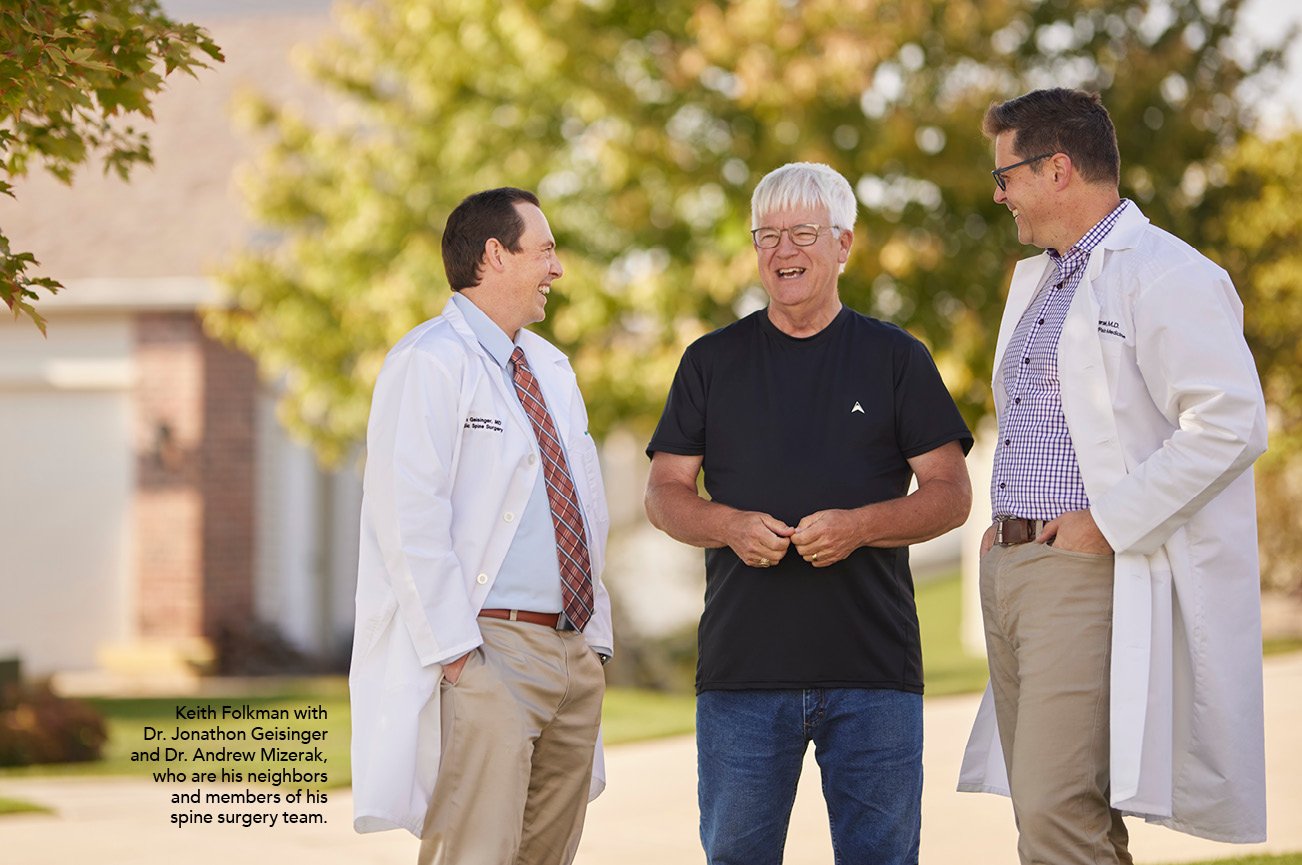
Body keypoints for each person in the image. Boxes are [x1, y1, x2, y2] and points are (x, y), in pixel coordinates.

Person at [958, 88, 1269, 864]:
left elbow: (1230, 421)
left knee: (1058, 810)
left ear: (1057, 168)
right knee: (1055, 812)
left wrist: (1105, 521)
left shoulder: (1166, 273)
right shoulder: (1036, 280)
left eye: (1007, 176)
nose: (999, 195)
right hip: (1012, 568)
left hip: (1084, 567)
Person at [644, 161, 973, 865]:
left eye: (801, 233)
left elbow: (951, 492)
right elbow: (664, 491)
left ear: (844, 244)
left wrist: (859, 527)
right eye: (767, 235)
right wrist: (729, 525)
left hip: (873, 670)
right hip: (742, 673)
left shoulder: (896, 358)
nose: (782, 251)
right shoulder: (709, 361)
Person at [348, 187, 614, 865]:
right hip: (490, 648)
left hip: (570, 652)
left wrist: (595, 650)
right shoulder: (428, 360)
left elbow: (585, 507)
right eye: (546, 251)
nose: (556, 269)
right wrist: (462, 661)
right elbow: (406, 520)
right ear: (496, 254)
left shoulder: (551, 368)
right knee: (474, 853)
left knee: (545, 856)